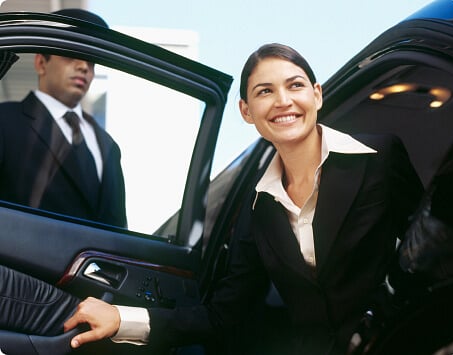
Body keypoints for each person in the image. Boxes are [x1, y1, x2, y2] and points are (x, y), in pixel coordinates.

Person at [0, 43, 424, 354]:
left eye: (295, 85)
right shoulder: (257, 208)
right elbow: (222, 316)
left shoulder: (381, 158)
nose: (282, 101)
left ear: (316, 94)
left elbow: (434, 246)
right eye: (264, 92)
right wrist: (121, 319)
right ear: (245, 111)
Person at [0, 8, 127, 227]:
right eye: (70, 55)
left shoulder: (108, 145)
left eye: (91, 60)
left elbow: (118, 232)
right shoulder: (5, 120)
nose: (83, 66)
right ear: (41, 63)